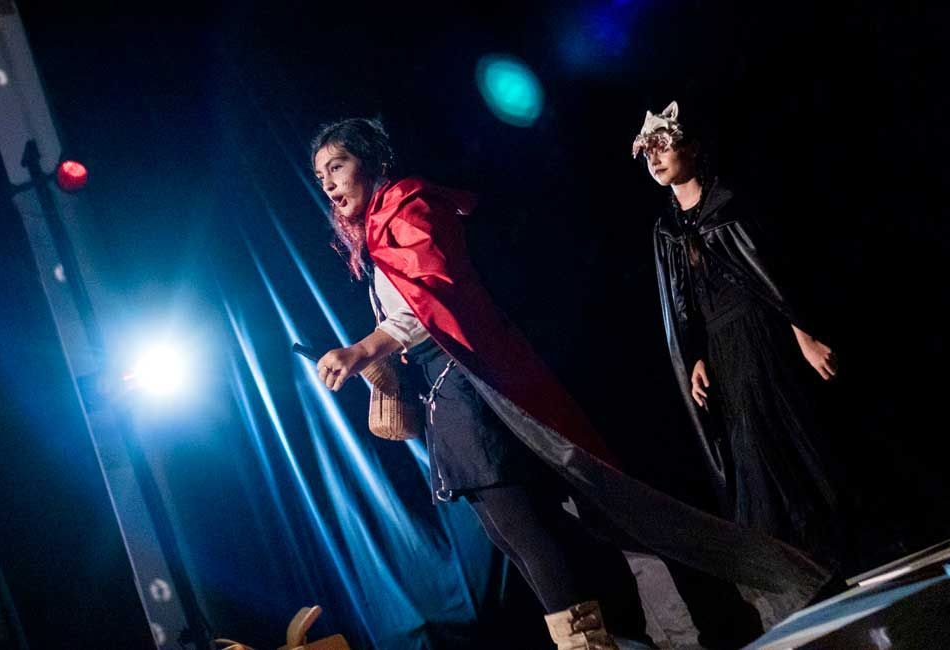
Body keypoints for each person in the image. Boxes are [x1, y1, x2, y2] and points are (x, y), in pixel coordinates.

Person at [310, 117, 827, 649]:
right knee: (529, 529)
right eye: (321, 175)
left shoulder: (409, 206)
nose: (328, 182)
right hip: (453, 388)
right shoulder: (380, 226)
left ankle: (696, 616)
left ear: (372, 161)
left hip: (474, 383)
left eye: (337, 166)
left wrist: (363, 349)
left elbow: (434, 292)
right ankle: (648, 629)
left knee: (551, 523)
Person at [636, 101, 843, 569]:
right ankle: (793, 559)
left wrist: (803, 335)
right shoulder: (667, 228)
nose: (655, 158)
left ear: (691, 148)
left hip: (758, 334)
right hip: (719, 348)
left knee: (773, 437)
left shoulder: (728, 204)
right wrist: (695, 356)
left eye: (663, 146)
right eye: (648, 151)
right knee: (747, 444)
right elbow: (684, 300)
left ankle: (815, 549)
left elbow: (769, 276)